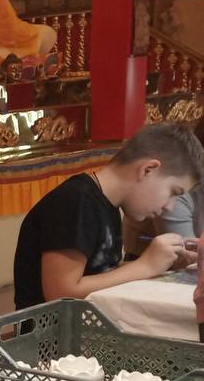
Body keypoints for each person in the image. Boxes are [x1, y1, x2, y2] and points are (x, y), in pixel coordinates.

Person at [13, 123, 204, 309]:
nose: (170, 207)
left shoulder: (108, 206)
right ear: (148, 170)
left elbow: (101, 272)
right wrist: (145, 266)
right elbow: (61, 294)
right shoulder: (76, 202)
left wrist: (163, 264)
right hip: (51, 329)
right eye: (173, 192)